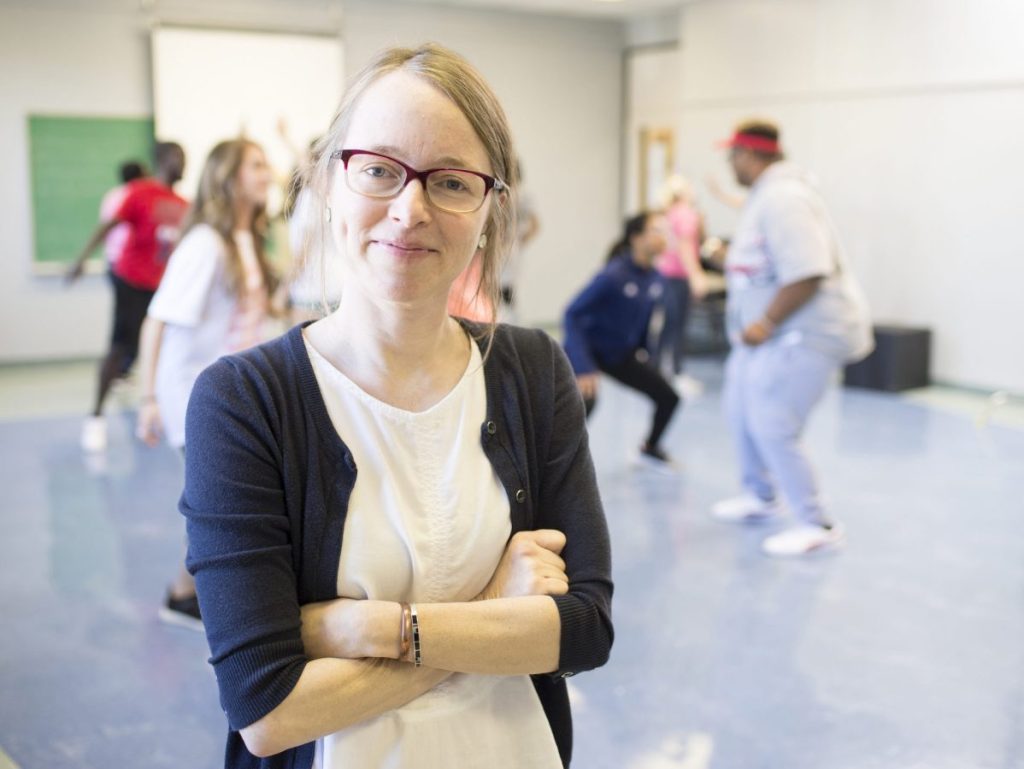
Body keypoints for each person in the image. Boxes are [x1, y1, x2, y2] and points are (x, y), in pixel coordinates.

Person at [180, 44, 613, 769]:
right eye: (378, 169)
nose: (409, 210)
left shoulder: (532, 369)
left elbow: (584, 628)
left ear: (488, 207)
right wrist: (490, 613)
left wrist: (366, 628)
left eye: (449, 181)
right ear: (325, 179)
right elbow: (268, 709)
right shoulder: (244, 400)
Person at [709, 120, 873, 557]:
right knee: (740, 409)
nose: (730, 164)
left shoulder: (785, 198)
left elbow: (807, 271)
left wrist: (763, 322)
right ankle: (761, 496)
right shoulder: (765, 196)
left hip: (802, 333)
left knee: (773, 423)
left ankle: (817, 523)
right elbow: (765, 262)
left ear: (751, 155)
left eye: (733, 156)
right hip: (766, 335)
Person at [135, 138, 276, 628]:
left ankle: (185, 594)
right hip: (192, 395)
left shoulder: (245, 237)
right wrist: (149, 399)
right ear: (229, 177)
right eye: (257, 165)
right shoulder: (203, 245)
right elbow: (156, 322)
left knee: (223, 500)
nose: (269, 173)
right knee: (221, 502)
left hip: (232, 395)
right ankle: (184, 596)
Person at [67, 142, 188, 452]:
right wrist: (82, 258)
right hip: (131, 280)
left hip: (162, 288)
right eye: (177, 157)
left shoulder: (184, 204)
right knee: (120, 347)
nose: (183, 163)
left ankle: (157, 413)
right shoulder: (140, 193)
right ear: (162, 161)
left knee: (158, 349)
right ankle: (95, 417)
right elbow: (108, 225)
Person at [563, 212, 682, 471]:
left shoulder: (656, 277)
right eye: (656, 230)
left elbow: (645, 317)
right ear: (636, 239)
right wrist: (583, 366)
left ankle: (650, 448)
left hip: (619, 355)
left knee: (669, 397)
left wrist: (645, 352)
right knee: (588, 402)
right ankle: (557, 464)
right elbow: (572, 314)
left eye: (665, 230)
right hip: (588, 351)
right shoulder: (613, 275)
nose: (664, 236)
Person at [652, 175, 708, 396]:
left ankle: (658, 370)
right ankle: (676, 373)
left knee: (667, 326)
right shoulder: (685, 214)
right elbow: (685, 247)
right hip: (678, 276)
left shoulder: (670, 213)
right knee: (677, 326)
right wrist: (696, 275)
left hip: (665, 274)